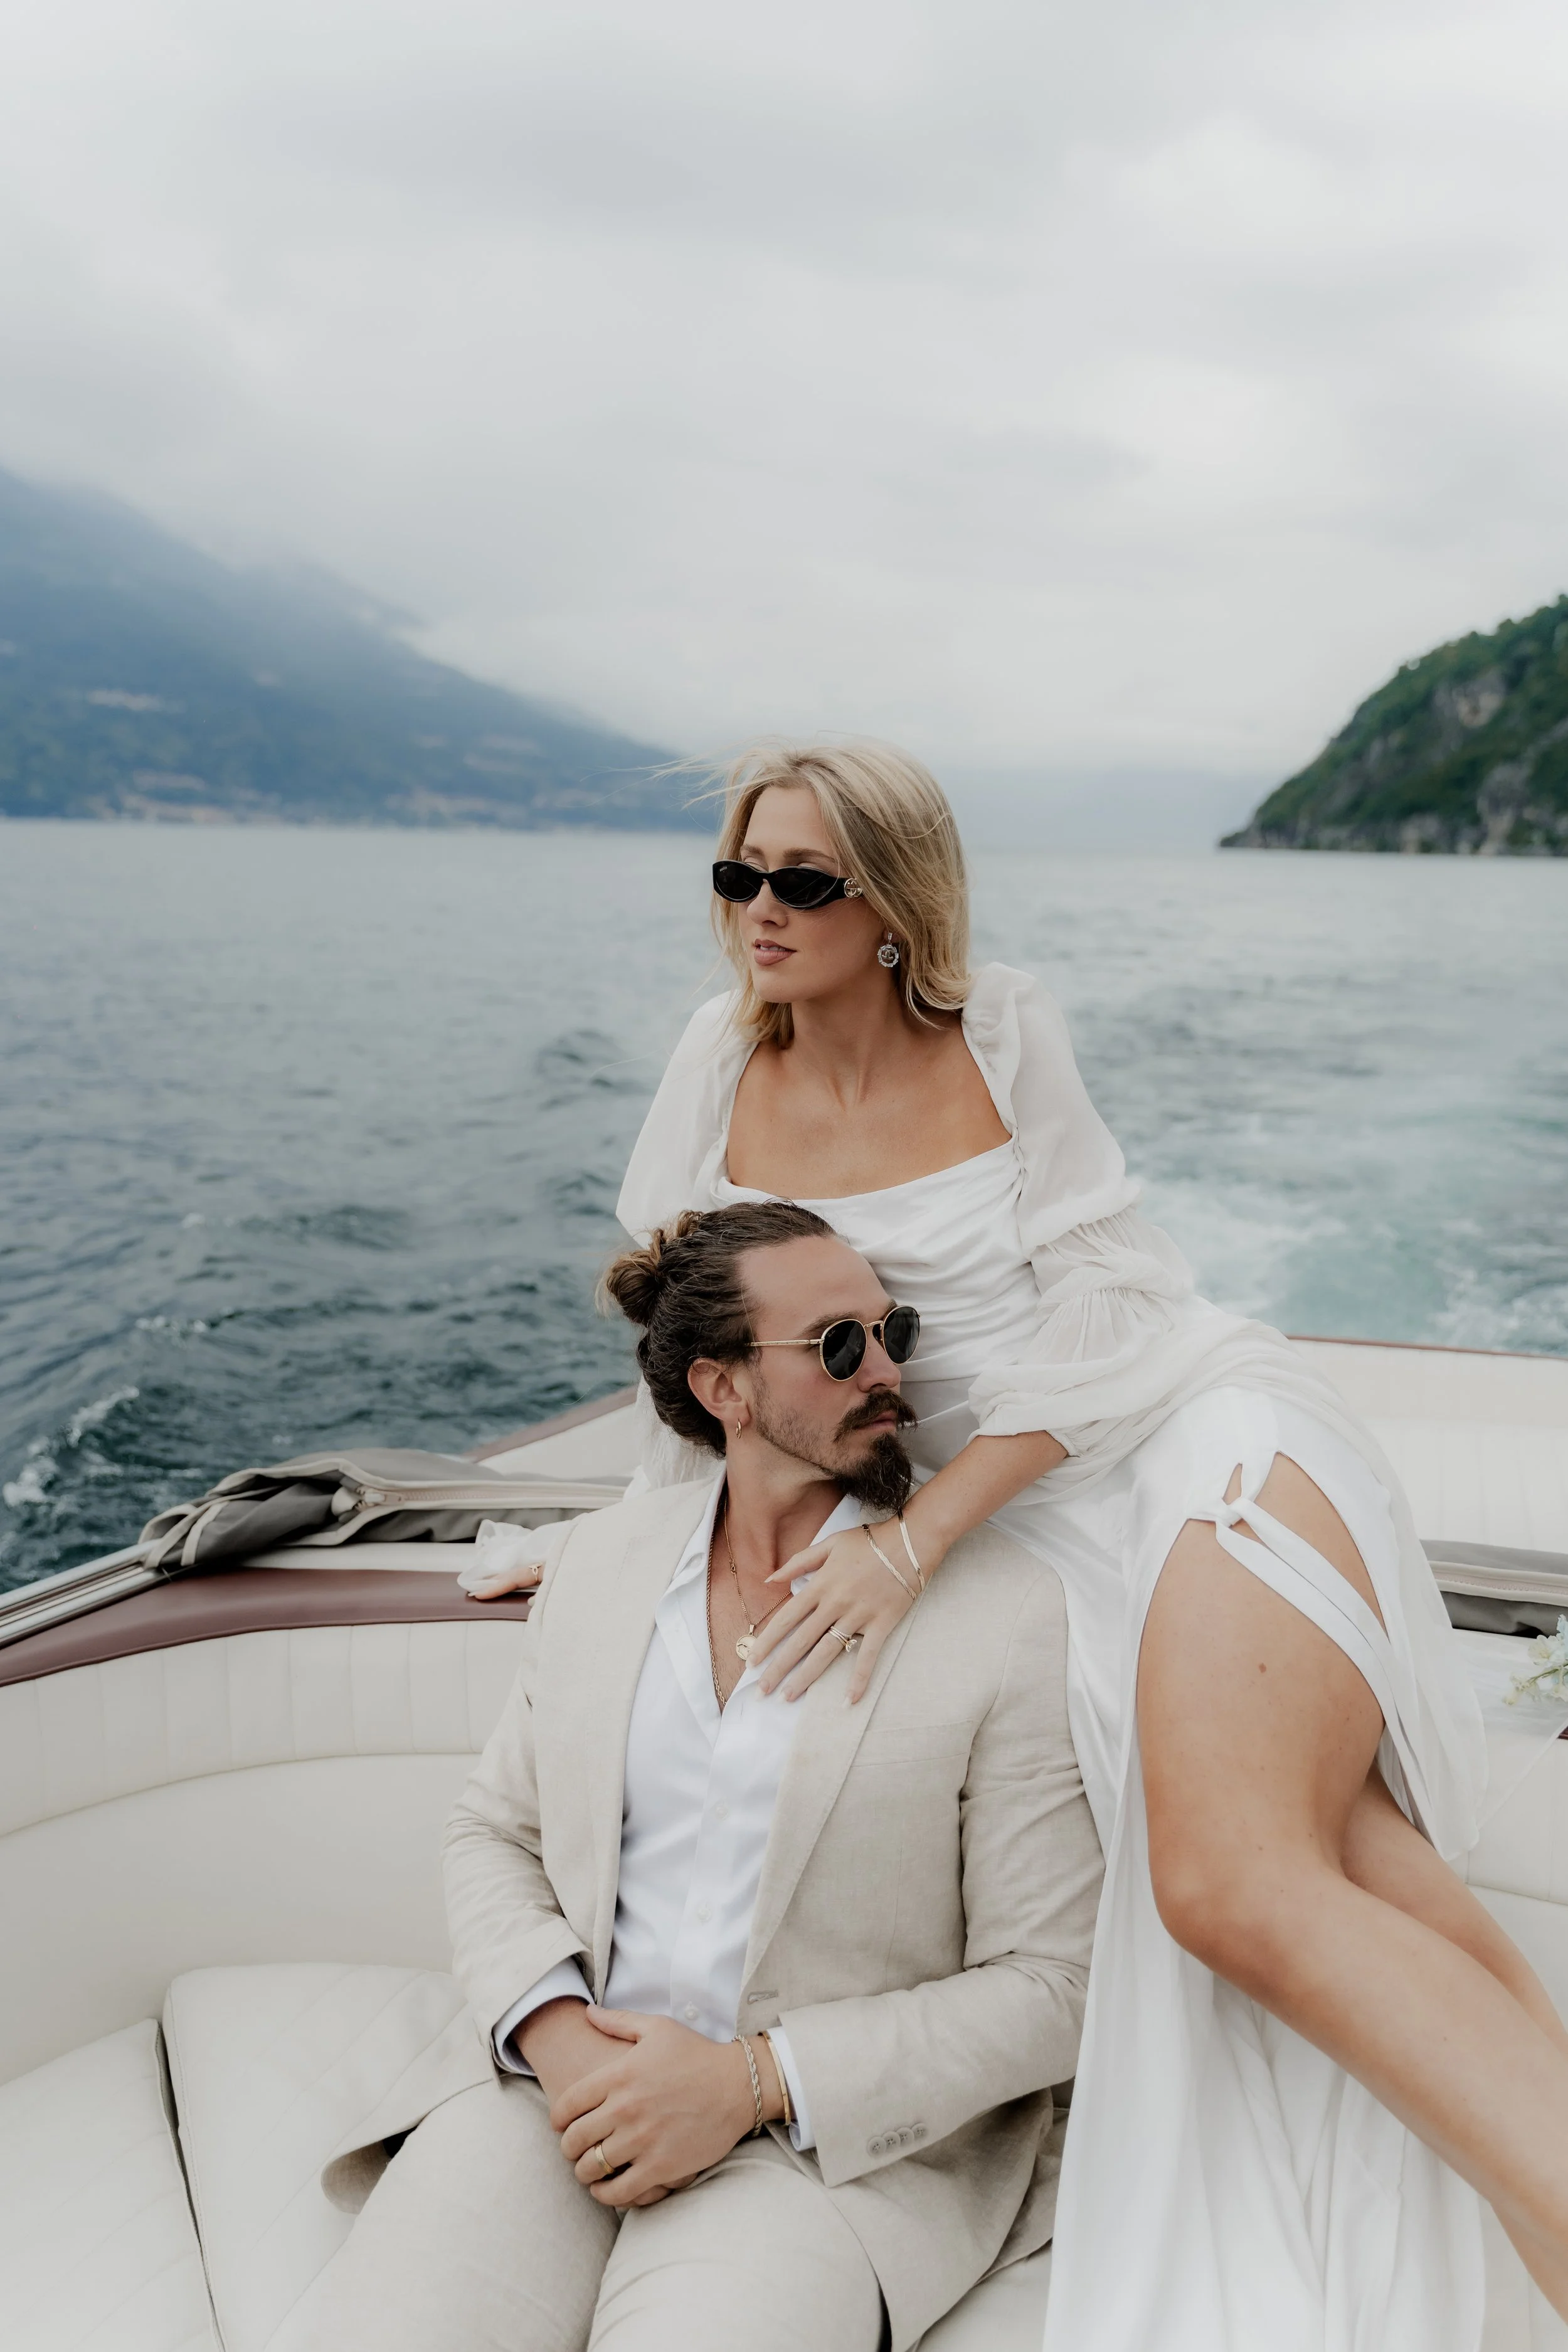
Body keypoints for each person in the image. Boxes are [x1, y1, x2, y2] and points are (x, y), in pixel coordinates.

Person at [479, 740, 1568, 2350]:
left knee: (1244, 1872)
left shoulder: (999, 1028)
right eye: (737, 874)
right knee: (1328, 1845)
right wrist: (627, 1549)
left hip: (1167, 1439)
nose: (758, 910)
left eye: (801, 881)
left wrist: (913, 1543)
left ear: (892, 905)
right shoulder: (715, 1061)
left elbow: (1117, 1318)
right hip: (982, 1524)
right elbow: (697, 1340)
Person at [317, 1199, 1101, 2352]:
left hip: (823, 2156)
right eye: (838, 1346)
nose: (887, 1371)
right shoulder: (600, 1564)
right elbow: (494, 1831)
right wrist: (559, 2038)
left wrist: (752, 2081)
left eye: (894, 1332)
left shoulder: (1009, 1613)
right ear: (723, 1387)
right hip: (557, 2091)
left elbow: (1054, 1985)